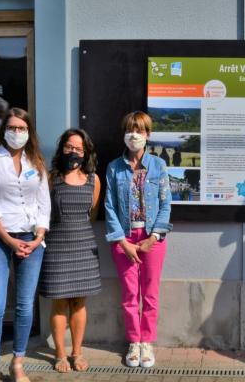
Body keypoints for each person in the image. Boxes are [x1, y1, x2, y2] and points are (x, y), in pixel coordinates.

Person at [0, 108, 50, 382]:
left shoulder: (37, 163)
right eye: (12, 127)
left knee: (24, 305)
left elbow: (44, 205)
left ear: (29, 132)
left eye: (22, 128)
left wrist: (39, 237)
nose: (16, 133)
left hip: (31, 240)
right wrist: (7, 238)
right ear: (4, 130)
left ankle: (18, 362)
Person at [105, 111, 172, 368]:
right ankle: (134, 341)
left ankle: (147, 342)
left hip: (152, 238)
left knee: (151, 294)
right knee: (130, 294)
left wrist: (153, 237)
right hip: (124, 238)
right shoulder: (114, 167)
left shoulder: (158, 166)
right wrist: (122, 241)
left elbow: (166, 204)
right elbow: (109, 206)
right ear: (124, 133)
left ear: (148, 135)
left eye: (140, 130)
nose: (135, 135)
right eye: (130, 129)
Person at [38, 128, 102, 373]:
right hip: (56, 247)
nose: (73, 151)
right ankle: (60, 355)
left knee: (78, 303)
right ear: (61, 148)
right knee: (59, 304)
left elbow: (93, 214)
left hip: (84, 245)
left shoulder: (93, 179)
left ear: (85, 152)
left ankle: (77, 352)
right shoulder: (51, 178)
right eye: (69, 146)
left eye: (78, 148)